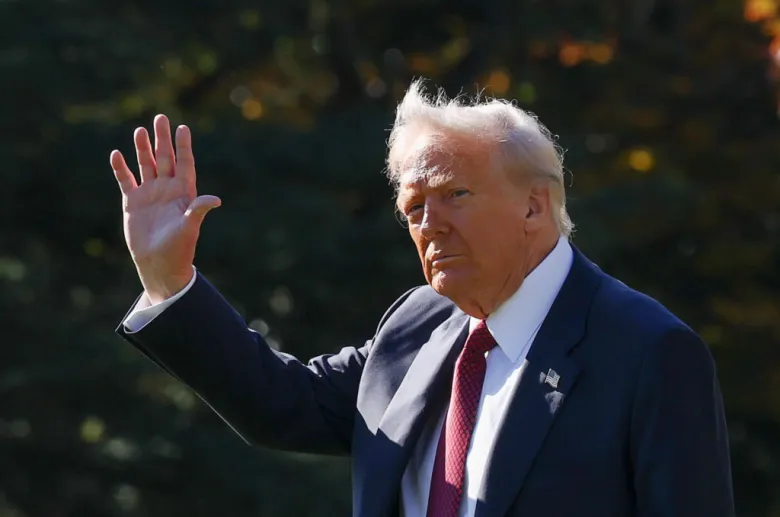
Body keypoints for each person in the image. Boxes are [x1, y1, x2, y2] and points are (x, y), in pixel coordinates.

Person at [111, 80, 735, 517]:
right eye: (413, 208)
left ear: (534, 205)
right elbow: (281, 403)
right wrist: (169, 281)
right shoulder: (418, 323)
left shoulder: (648, 351)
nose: (429, 225)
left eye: (454, 195)